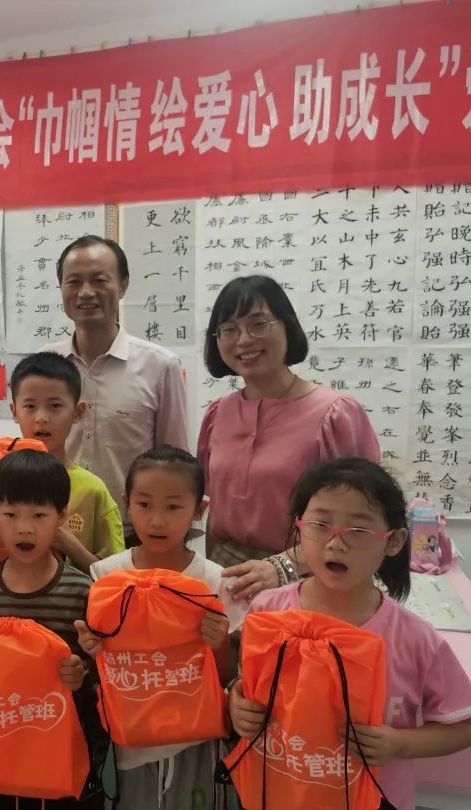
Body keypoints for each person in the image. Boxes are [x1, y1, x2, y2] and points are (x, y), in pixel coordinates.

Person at [229, 458, 471, 810]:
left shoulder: (414, 638)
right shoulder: (267, 610)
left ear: (393, 541)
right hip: (277, 791)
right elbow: (246, 685)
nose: (335, 543)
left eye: (358, 530)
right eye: (320, 524)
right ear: (299, 529)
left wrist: (399, 743)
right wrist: (236, 704)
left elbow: (462, 725)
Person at [196, 275, 380, 601]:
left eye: (258, 324)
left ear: (288, 326)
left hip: (308, 578)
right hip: (228, 577)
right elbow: (215, 510)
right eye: (229, 329)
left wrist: (284, 565)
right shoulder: (217, 415)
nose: (244, 340)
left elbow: (362, 516)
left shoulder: (335, 414)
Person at [76, 445, 231, 810]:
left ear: (199, 509)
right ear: (127, 503)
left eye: (173, 507)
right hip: (129, 738)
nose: (157, 521)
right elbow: (99, 669)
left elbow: (228, 676)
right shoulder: (106, 576)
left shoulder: (215, 580)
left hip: (196, 738)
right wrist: (92, 648)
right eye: (144, 505)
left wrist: (221, 644)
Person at [0, 449, 105, 810]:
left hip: (62, 755)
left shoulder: (82, 590)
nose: (24, 527)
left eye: (39, 515)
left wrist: (82, 671)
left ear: (61, 517)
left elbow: (101, 665)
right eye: (11, 515)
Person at [43, 236, 188, 533]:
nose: (85, 292)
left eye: (99, 280)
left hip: (134, 535)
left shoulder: (160, 366)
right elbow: (32, 450)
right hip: (54, 533)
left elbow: (178, 468)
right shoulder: (44, 364)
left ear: (122, 285)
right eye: (73, 282)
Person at [0, 352, 124, 571]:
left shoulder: (92, 490)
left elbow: (116, 576)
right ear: (14, 411)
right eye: (30, 406)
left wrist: (69, 545)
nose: (41, 418)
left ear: (77, 412)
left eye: (55, 406)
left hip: (73, 593)